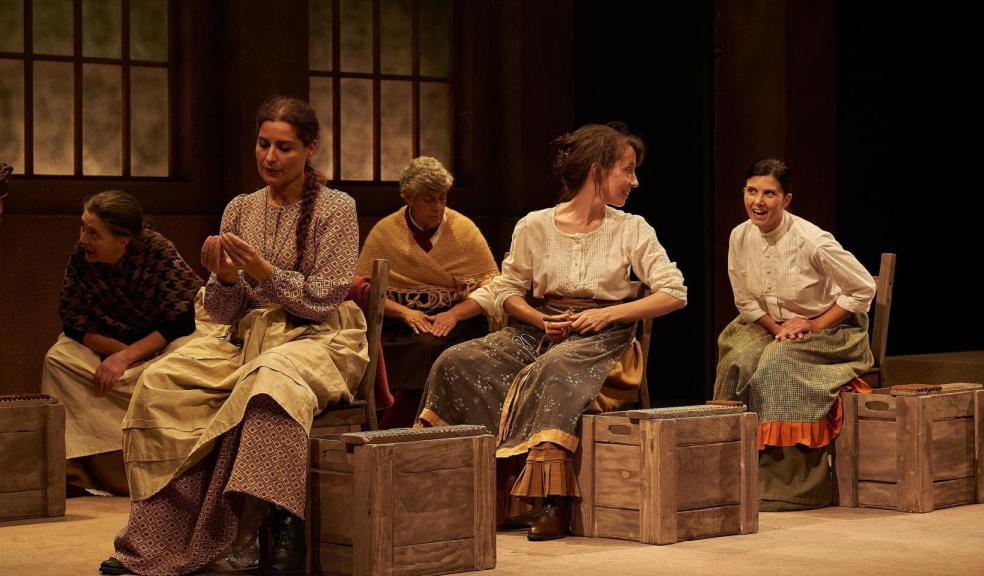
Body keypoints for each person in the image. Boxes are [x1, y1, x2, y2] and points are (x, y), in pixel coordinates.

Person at [100, 96, 368, 576]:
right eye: (263, 144)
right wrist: (223, 280)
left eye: (284, 147)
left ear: (311, 149)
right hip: (246, 338)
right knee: (162, 382)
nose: (270, 157)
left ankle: (274, 527)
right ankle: (154, 537)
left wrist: (265, 271)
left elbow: (323, 300)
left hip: (320, 337)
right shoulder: (240, 210)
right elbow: (222, 314)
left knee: (270, 380)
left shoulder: (336, 208)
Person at [417, 123, 687, 540]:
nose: (634, 181)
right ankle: (467, 488)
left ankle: (552, 500)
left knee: (556, 367)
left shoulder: (631, 228)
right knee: (459, 360)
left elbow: (674, 292)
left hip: (603, 341)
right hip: (539, 329)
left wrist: (610, 316)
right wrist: (539, 319)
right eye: (626, 170)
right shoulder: (535, 226)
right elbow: (507, 289)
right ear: (597, 172)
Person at [713, 158, 876, 511]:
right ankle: (727, 472)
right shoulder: (740, 237)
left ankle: (789, 486)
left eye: (769, 193)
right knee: (738, 360)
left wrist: (815, 324)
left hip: (830, 327)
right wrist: (776, 329)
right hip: (770, 324)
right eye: (752, 191)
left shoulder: (811, 240)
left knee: (777, 364)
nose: (758, 201)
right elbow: (744, 299)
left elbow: (862, 288)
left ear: (786, 199)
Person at [40, 190, 203, 497]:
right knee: (59, 359)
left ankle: (162, 470)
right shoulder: (82, 256)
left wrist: (130, 357)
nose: (83, 238)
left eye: (93, 233)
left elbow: (180, 321)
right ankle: (74, 472)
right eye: (82, 228)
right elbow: (74, 322)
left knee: (183, 359)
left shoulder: (158, 252)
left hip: (158, 345)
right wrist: (115, 353)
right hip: (109, 346)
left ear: (122, 241)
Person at [355, 156, 498, 426]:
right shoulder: (386, 233)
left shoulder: (464, 230)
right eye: (429, 200)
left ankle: (428, 425)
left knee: (434, 347)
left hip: (455, 323)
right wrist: (405, 312)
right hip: (401, 323)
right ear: (409, 197)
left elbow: (492, 286)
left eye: (442, 198)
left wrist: (455, 313)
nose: (438, 208)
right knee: (413, 347)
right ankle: (395, 425)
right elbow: (364, 291)